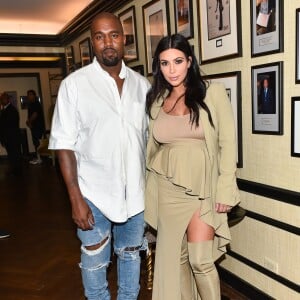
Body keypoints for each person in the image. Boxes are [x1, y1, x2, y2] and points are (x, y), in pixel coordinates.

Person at [49, 12, 150, 300]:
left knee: (130, 258)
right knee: (94, 265)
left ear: (124, 39)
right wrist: (75, 198)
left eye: (114, 35)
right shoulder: (74, 85)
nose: (108, 42)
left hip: (136, 196)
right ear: (92, 43)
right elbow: (63, 146)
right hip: (92, 195)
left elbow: (147, 142)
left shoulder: (143, 86)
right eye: (100, 36)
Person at [145, 34, 240, 300]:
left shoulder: (212, 93)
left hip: (203, 189)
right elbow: (152, 148)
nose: (171, 69)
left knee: (201, 260)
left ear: (189, 61)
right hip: (166, 189)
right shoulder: (156, 100)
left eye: (177, 61)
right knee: (175, 261)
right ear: (159, 66)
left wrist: (225, 189)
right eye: (164, 63)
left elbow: (228, 144)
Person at [0, 92, 22, 176]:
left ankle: (17, 172)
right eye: (1, 99)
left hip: (12, 137)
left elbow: (10, 125)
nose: (2, 100)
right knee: (11, 154)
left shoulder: (12, 110)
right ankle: (14, 171)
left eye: (4, 98)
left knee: (15, 154)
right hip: (7, 137)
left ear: (8, 99)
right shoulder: (3, 110)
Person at [26, 89, 45, 164]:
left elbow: (35, 114)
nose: (29, 96)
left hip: (38, 127)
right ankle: (38, 157)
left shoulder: (36, 103)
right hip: (34, 127)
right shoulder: (31, 104)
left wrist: (28, 122)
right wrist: (29, 123)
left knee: (38, 143)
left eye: (30, 94)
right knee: (35, 142)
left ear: (34, 95)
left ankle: (39, 158)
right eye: (28, 95)